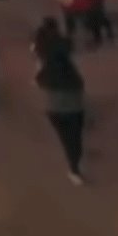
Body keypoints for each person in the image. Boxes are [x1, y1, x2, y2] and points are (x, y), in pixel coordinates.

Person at [36, 50, 87, 184]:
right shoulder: (73, 76)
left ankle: (74, 167)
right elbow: (81, 87)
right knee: (76, 139)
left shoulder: (47, 74)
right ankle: (75, 163)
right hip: (75, 111)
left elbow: (39, 82)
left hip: (55, 112)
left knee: (66, 140)